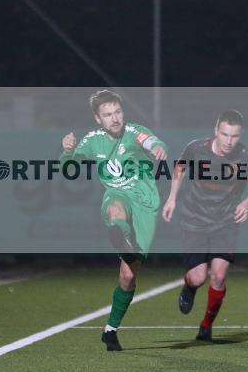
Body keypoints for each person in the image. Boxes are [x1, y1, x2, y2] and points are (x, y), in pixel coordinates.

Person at [60, 90, 168, 351]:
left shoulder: (134, 131)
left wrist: (157, 148)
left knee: (128, 277)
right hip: (117, 194)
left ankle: (110, 329)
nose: (115, 118)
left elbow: (152, 141)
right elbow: (68, 167)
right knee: (115, 208)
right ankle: (119, 234)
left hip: (145, 203)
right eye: (108, 115)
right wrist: (67, 152)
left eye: (118, 112)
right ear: (98, 119)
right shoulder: (93, 140)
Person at [161, 110, 248, 341]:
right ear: (216, 131)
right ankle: (189, 287)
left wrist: (246, 202)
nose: (228, 141)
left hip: (225, 223)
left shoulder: (246, 157)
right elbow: (179, 168)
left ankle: (206, 325)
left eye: (234, 136)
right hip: (194, 221)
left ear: (241, 135)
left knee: (218, 276)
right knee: (198, 278)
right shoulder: (196, 149)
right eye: (224, 134)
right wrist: (172, 198)